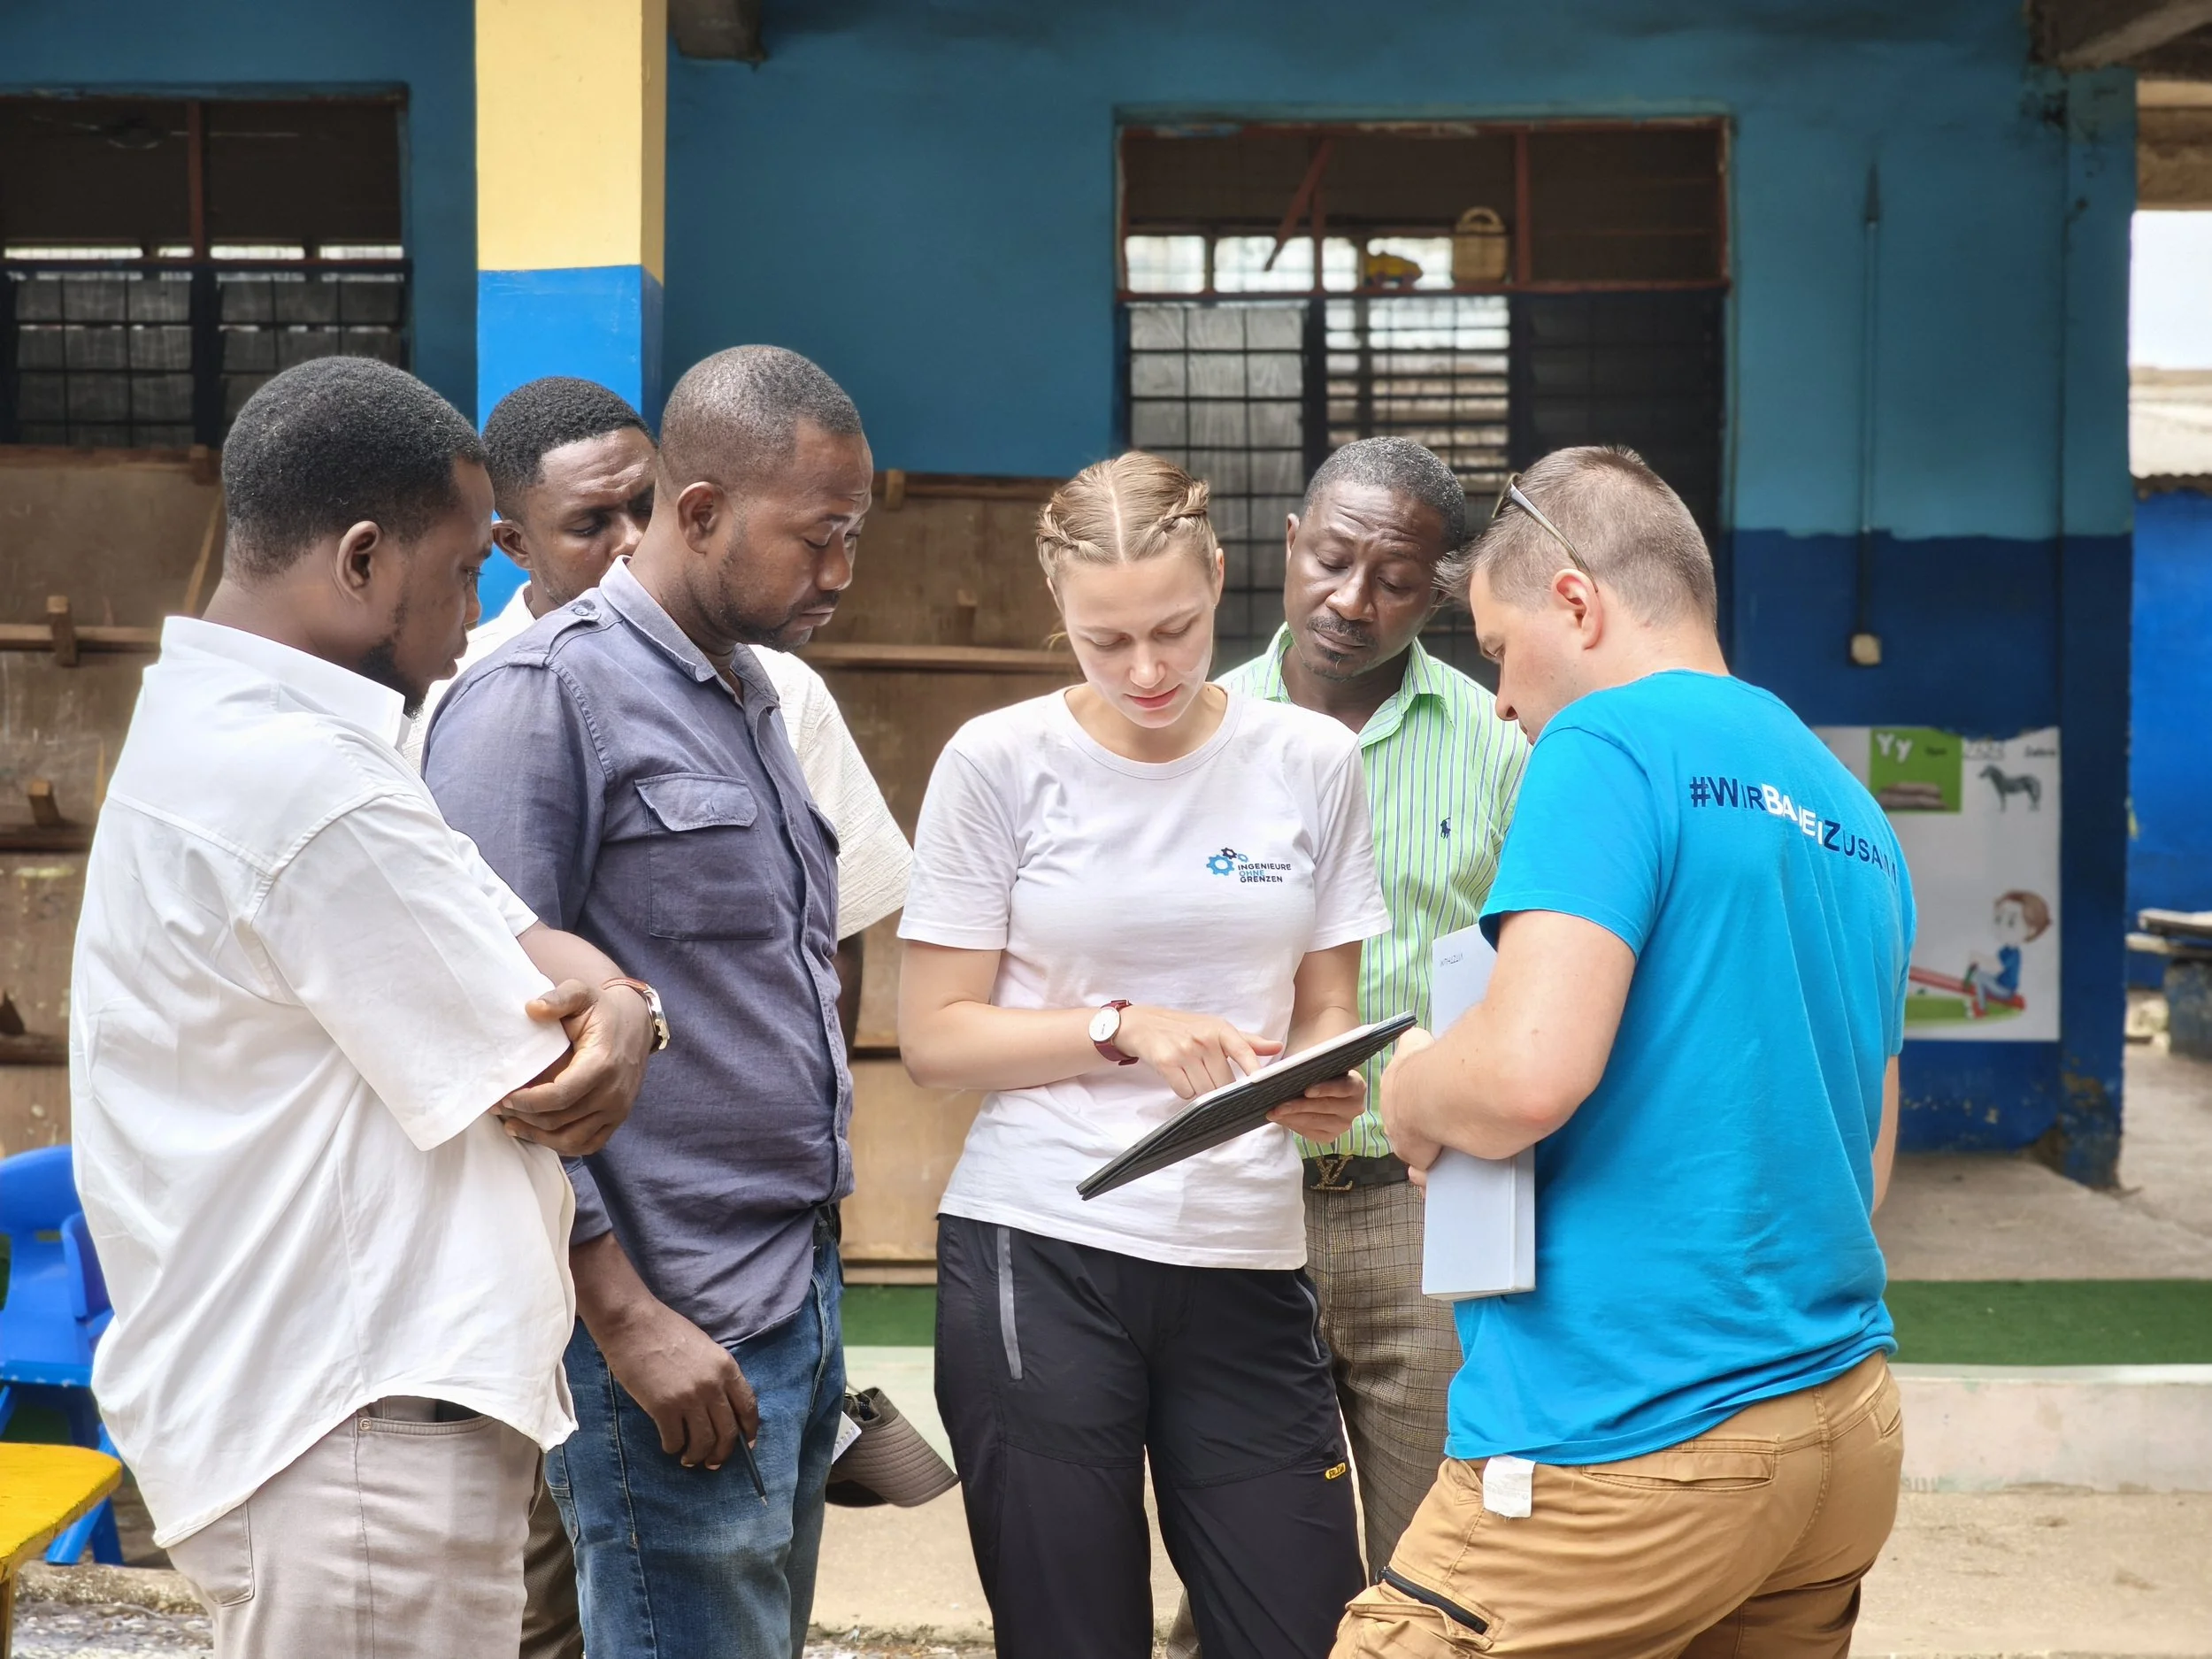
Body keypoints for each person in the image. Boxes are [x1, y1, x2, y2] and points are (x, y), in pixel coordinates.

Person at [69, 357, 658, 1659]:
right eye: (459, 571)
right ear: (359, 561)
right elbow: (537, 1056)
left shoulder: (251, 732)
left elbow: (518, 934)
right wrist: (618, 1008)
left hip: (327, 1416)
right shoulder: (305, 786)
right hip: (354, 1437)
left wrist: (621, 996)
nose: (475, 609)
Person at [1334, 447, 1910, 1658]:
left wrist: (1415, 1083)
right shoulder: (1847, 802)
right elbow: (1864, 1154)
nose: (1497, 698)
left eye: (1496, 648)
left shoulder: (1604, 743)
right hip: (1837, 1424)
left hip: (1625, 1428)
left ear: (1577, 602)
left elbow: (1527, 1070)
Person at [415, 373, 910, 1659]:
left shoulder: (749, 692)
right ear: (700, 510)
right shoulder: (538, 699)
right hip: (665, 1318)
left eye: (854, 531)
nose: (843, 568)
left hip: (781, 1290)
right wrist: (624, 1317)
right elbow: (487, 1038)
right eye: (819, 535)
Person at [897, 452, 1387, 1659]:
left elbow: (1330, 1005)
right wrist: (1119, 1026)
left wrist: (1328, 1079)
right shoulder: (997, 761)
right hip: (1040, 1240)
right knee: (1076, 1634)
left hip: (1246, 1247)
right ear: (1056, 613)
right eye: (1103, 641)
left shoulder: (1310, 760)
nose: (1150, 669)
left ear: (1222, 574)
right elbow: (936, 1034)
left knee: (1305, 1626)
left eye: (1173, 627)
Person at [1216, 436, 1527, 1584]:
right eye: (1332, 559)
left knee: (1436, 1561)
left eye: (1394, 578)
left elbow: (1533, 972)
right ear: (1289, 545)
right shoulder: (1195, 724)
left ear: (1442, 587)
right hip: (1235, 1201)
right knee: (1243, 1567)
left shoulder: (1500, 742)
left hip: (1426, 1203)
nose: (1352, 599)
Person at [398, 375, 658, 768]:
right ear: (516, 545)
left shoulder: (763, 684)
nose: (635, 540)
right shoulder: (454, 700)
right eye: (590, 526)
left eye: (650, 507)